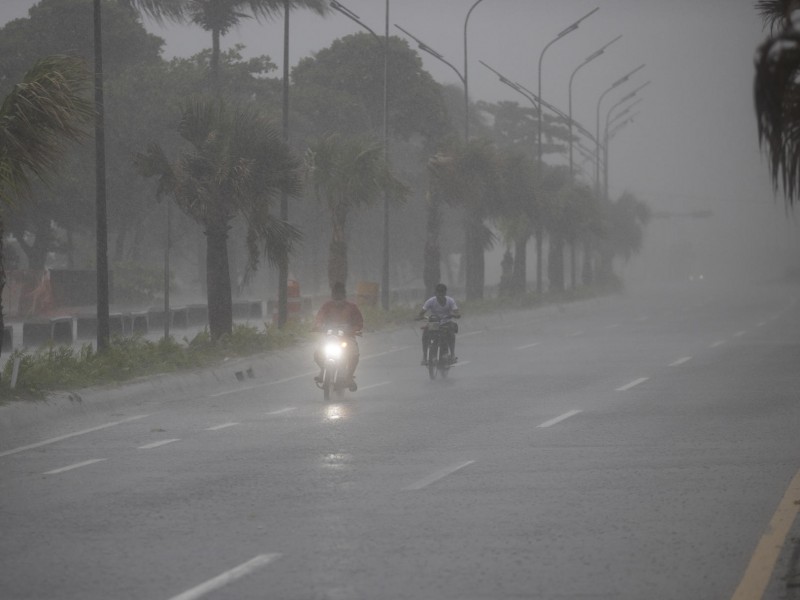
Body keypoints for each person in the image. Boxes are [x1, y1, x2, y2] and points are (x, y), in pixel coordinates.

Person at [313, 281, 363, 391]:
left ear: (344, 296)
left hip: (347, 337)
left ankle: (349, 377)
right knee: (317, 354)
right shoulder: (327, 306)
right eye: (336, 298)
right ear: (332, 297)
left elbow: (359, 322)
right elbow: (319, 318)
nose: (338, 301)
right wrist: (318, 326)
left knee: (354, 354)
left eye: (340, 298)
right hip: (330, 337)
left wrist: (353, 329)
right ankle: (323, 369)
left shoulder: (352, 307)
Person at [417, 283, 461, 365]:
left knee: (451, 333)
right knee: (425, 334)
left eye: (442, 293)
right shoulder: (430, 301)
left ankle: (452, 355)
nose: (440, 295)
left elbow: (457, 313)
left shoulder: (450, 301)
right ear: (435, 293)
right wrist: (420, 317)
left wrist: (453, 315)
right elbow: (421, 313)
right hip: (434, 322)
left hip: (446, 322)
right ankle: (425, 357)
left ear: (445, 293)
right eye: (438, 293)